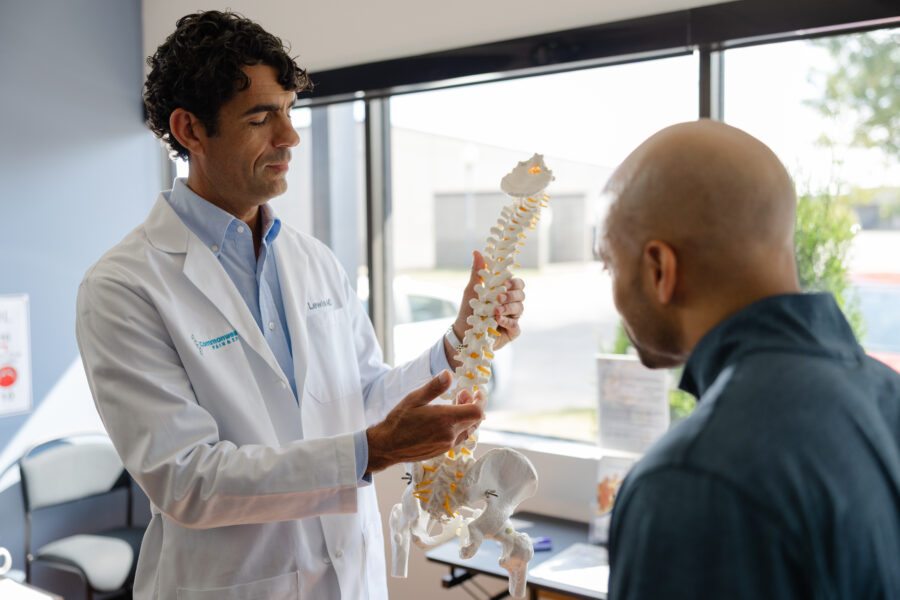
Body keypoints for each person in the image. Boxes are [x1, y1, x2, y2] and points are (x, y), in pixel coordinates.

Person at [75, 10, 525, 600]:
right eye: (260, 118)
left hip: (350, 579)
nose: (289, 137)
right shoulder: (123, 287)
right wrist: (374, 450)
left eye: (288, 111)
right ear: (190, 130)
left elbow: (365, 398)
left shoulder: (314, 261)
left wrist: (458, 342)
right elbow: (187, 481)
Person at [596, 120, 900, 599]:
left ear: (660, 269)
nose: (610, 288)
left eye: (610, 263)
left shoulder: (687, 483)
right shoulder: (887, 397)